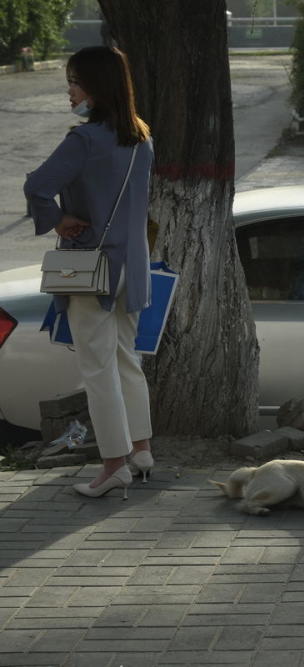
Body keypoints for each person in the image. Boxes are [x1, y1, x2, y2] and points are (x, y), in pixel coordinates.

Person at [24, 46, 155, 499]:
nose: (70, 91)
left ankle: (114, 465)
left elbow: (37, 186)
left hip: (91, 269)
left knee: (97, 369)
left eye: (75, 82)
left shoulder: (83, 140)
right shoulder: (142, 137)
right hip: (132, 268)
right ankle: (141, 451)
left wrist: (59, 220)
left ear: (96, 87)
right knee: (127, 359)